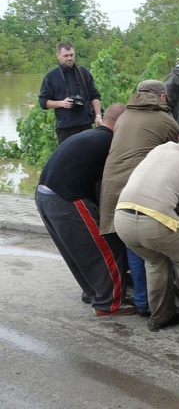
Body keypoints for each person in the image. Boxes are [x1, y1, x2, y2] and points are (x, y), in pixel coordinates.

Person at [113, 120, 179, 332]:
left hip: (122, 217)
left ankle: (161, 316)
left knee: (155, 261)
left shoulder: (160, 149)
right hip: (157, 221)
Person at [34, 103, 134, 316]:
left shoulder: (91, 135)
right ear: (121, 122)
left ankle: (92, 292)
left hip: (44, 194)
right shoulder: (110, 142)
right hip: (67, 198)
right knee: (108, 247)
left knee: (78, 252)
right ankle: (109, 304)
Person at [99, 80, 179, 317]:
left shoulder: (124, 116)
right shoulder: (165, 120)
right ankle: (151, 303)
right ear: (162, 98)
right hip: (137, 188)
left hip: (112, 188)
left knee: (131, 244)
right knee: (148, 248)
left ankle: (141, 300)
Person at [39, 41, 103, 144]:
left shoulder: (83, 72)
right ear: (58, 56)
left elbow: (95, 95)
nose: (69, 58)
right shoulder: (51, 77)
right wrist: (61, 103)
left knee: (89, 158)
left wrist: (98, 116)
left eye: (71, 55)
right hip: (65, 128)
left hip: (85, 125)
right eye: (66, 56)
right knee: (68, 159)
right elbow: (43, 102)